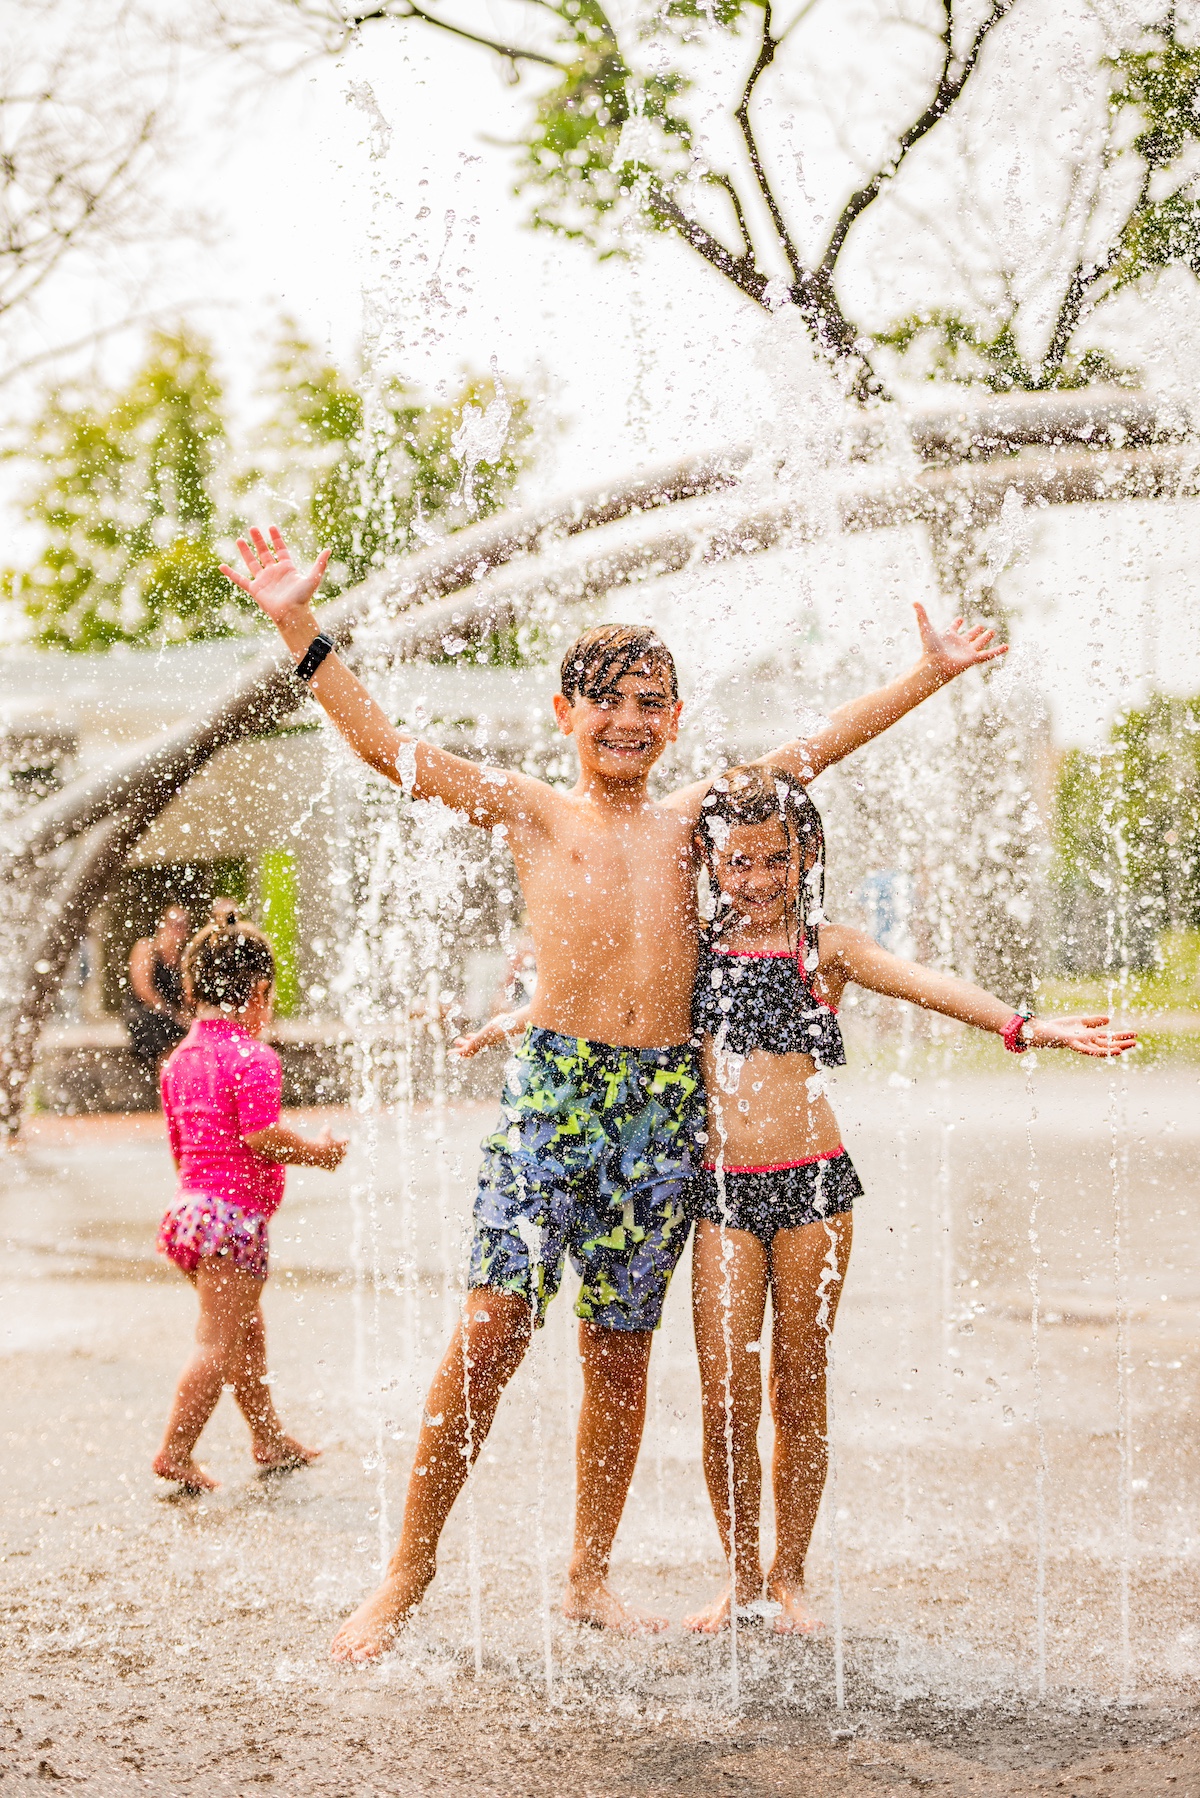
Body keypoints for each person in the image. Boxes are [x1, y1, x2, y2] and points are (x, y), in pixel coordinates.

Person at [219, 524, 1007, 1660]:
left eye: (651, 702)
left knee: (619, 1350)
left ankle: (586, 1574)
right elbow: (388, 745)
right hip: (554, 1102)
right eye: (608, 701)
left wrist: (926, 675)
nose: (629, 720)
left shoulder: (699, 819)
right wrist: (297, 624)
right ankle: (406, 1570)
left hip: (661, 1113)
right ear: (564, 712)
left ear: (676, 719)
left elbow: (809, 753)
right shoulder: (534, 808)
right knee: (489, 1329)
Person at [677, 766, 1137, 1634]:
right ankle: (737, 1578)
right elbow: (607, 999)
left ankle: (792, 1577)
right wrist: (525, 1022)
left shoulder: (825, 948)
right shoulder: (692, 948)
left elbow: (920, 979)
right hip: (721, 1194)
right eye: (736, 862)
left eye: (775, 860)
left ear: (805, 854)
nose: (757, 880)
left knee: (799, 1385)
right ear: (710, 860)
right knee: (725, 1396)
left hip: (813, 1184)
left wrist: (1024, 1025)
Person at [153, 920, 347, 1493]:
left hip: (190, 1213)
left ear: (191, 992)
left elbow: (181, 1148)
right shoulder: (252, 1057)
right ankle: (175, 1452)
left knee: (244, 1330)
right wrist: (319, 1153)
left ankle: (267, 1435)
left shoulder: (179, 1061)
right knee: (216, 1339)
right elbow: (263, 1136)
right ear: (260, 991)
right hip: (230, 1220)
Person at [124, 905, 191, 1071]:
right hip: (145, 1011)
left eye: (182, 925)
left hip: (169, 1015)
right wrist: (171, 1012)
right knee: (166, 1034)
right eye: (174, 924)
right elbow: (143, 990)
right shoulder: (147, 948)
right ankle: (166, 1084)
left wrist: (184, 1014)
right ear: (162, 925)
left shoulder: (183, 957)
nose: (178, 930)